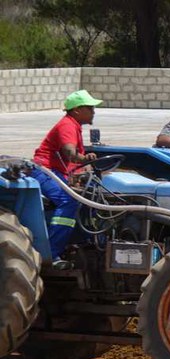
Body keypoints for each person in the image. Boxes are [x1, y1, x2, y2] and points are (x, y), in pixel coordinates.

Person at [31, 89, 102, 270]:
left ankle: (83, 244)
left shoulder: (74, 126)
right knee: (68, 200)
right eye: (90, 107)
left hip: (55, 170)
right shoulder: (67, 125)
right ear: (77, 110)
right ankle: (52, 254)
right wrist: (84, 159)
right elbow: (70, 153)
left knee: (91, 196)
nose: (94, 111)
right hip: (43, 170)